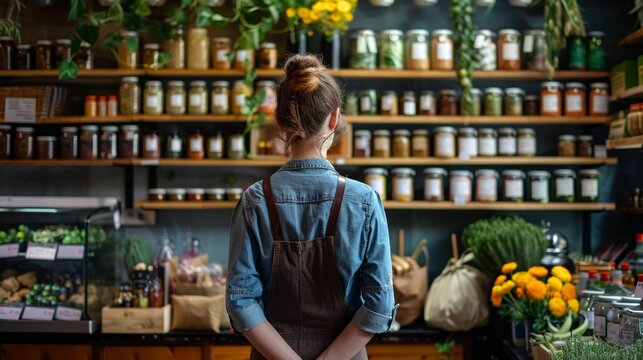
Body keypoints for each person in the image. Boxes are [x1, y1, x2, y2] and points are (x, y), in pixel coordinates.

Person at [226, 54, 396, 360]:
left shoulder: (254, 200)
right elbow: (379, 305)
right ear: (334, 118)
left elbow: (241, 301)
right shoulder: (365, 201)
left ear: (279, 120)